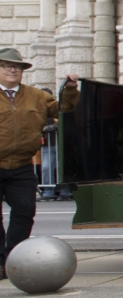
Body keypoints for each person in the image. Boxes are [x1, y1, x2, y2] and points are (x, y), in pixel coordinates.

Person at [0, 48, 79, 279]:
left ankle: (13, 258)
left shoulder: (36, 96)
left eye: (17, 67)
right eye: (7, 66)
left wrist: (71, 89)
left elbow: (64, 108)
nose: (13, 69)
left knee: (25, 211)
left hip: (22, 167)